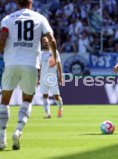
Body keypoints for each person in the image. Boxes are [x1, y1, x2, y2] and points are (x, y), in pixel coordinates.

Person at [0, 0, 57, 150]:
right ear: (30, 3)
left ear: (16, 4)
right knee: (27, 99)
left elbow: (2, 38)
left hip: (11, 63)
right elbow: (51, 39)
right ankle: (18, 130)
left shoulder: (7, 19)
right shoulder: (40, 18)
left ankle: (1, 137)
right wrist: (55, 58)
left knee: (4, 100)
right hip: (31, 64)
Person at [37, 37, 63, 119]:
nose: (45, 43)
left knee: (56, 96)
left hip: (52, 78)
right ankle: (47, 113)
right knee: (45, 95)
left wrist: (60, 76)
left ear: (49, 42)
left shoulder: (54, 52)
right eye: (43, 42)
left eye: (46, 42)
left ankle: (60, 108)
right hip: (43, 77)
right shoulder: (40, 54)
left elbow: (59, 64)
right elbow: (40, 67)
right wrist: (38, 79)